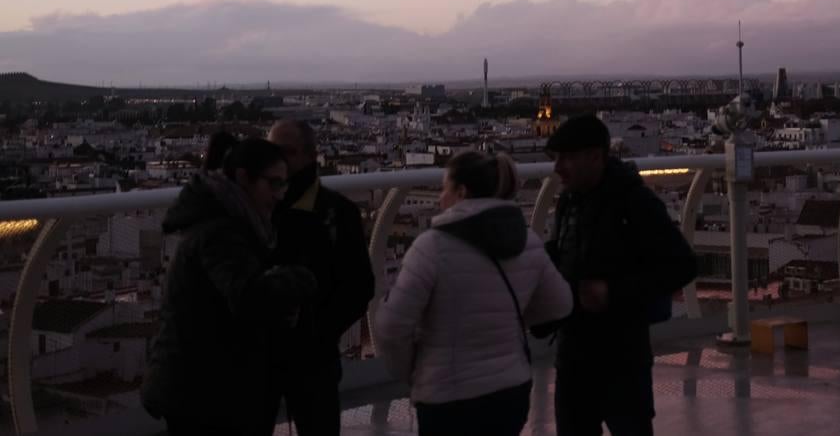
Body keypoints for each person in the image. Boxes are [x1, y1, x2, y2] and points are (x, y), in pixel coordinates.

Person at [375, 151, 573, 436]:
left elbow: (391, 326)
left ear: (461, 192)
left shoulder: (431, 247)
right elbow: (560, 304)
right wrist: (512, 316)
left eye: (445, 189)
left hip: (447, 395)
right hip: (510, 390)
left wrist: (413, 371)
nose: (441, 198)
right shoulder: (527, 241)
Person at [143, 138, 316, 436]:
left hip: (204, 384)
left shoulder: (227, 220)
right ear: (243, 178)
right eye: (273, 184)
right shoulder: (221, 231)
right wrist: (297, 280)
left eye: (282, 185)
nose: (279, 195)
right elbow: (247, 296)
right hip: (205, 391)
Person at [546, 115, 698, 436]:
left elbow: (683, 264)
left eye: (567, 158)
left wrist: (612, 293)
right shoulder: (569, 202)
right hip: (574, 353)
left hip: (621, 355)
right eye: (555, 158)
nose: (558, 167)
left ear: (595, 156)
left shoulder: (635, 201)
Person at [267, 120, 376, 436]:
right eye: (272, 151)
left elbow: (359, 286)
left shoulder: (338, 213)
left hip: (313, 357)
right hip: (262, 356)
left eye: (287, 151)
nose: (279, 160)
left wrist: (318, 332)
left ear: (312, 156)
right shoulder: (256, 208)